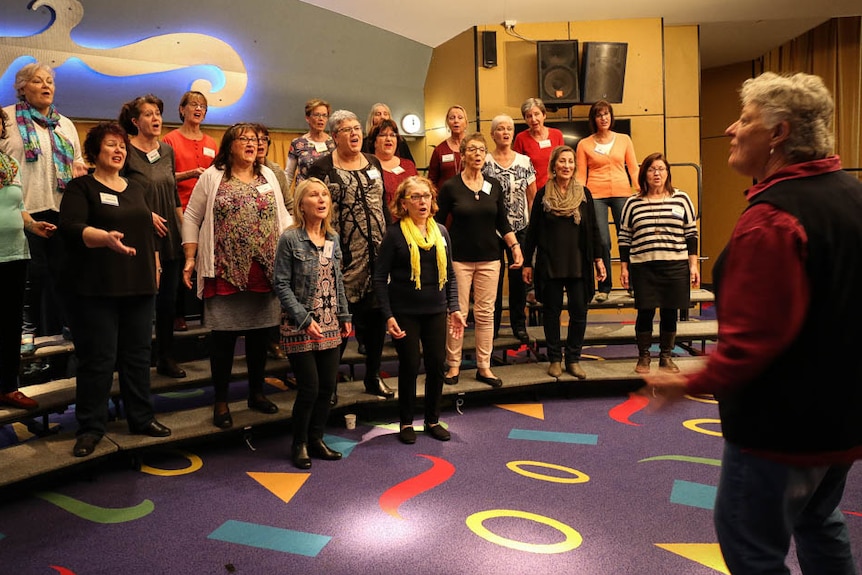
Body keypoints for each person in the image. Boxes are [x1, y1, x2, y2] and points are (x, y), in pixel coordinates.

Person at [645, 72, 862, 574]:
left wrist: (689, 381)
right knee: (818, 521)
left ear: (779, 133)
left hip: (782, 429)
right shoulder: (851, 195)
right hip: (842, 419)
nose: (730, 129)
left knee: (751, 550)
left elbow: (756, 341)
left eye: (744, 120)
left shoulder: (772, 220)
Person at [59, 122, 171, 457]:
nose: (119, 150)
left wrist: (156, 267)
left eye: (122, 145)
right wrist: (104, 238)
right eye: (110, 145)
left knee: (137, 357)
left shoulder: (136, 188)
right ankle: (91, 427)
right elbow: (71, 229)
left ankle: (141, 417)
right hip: (97, 288)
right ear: (94, 153)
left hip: (138, 284)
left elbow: (147, 232)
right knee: (98, 360)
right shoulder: (81, 188)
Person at [182, 123, 292, 429]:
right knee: (224, 341)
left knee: (259, 338)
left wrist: (291, 258)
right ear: (229, 145)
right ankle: (221, 401)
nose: (251, 144)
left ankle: (256, 393)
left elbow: (284, 216)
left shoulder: (269, 174)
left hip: (264, 271)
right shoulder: (213, 176)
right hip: (225, 271)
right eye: (244, 139)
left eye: (256, 140)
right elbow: (192, 216)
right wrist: (190, 257)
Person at [308, 110, 394, 401]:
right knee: (339, 327)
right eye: (347, 130)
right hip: (341, 260)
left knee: (376, 324)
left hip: (378, 258)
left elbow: (382, 205)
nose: (355, 133)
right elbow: (313, 214)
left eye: (357, 128)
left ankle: (372, 377)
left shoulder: (372, 162)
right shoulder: (321, 168)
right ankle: (329, 385)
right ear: (334, 137)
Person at [1, 62, 87, 351]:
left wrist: (79, 168)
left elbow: (77, 161)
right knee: (28, 277)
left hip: (61, 208)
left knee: (65, 272)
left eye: (49, 81)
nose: (46, 86)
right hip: (20, 210)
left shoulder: (66, 123)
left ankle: (69, 323)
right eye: (38, 81)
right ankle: (26, 331)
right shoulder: (7, 119)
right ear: (22, 87)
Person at [374, 176, 466, 444]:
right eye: (415, 197)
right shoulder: (394, 234)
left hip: (436, 310)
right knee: (410, 365)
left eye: (426, 196)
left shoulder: (441, 232)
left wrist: (455, 308)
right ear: (404, 203)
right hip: (405, 311)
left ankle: (432, 420)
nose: (422, 201)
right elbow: (380, 278)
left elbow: (448, 273)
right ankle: (405, 422)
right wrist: (388, 315)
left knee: (437, 365)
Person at [274, 178, 351, 469]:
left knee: (327, 388)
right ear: (301, 205)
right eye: (314, 195)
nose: (321, 199)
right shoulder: (290, 238)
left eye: (325, 195)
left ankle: (317, 439)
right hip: (298, 324)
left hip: (330, 323)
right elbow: (280, 284)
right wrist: (304, 319)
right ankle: (300, 443)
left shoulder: (333, 238)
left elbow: (338, 281)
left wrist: (344, 315)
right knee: (310, 387)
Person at [436, 132, 523, 388]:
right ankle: (453, 365)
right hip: (459, 260)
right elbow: (438, 224)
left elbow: (502, 221)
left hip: (490, 258)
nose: (477, 154)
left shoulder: (494, 185)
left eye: (481, 150)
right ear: (462, 155)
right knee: (457, 314)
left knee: (486, 314)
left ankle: (484, 367)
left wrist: (514, 247)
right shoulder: (451, 186)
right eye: (472, 149)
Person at [522, 145, 606, 379]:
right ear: (553, 166)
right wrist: (527, 262)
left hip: (579, 263)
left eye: (570, 162)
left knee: (580, 312)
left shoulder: (584, 194)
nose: (566, 166)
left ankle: (573, 358)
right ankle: (555, 358)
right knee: (551, 313)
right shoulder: (542, 194)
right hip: (550, 263)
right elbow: (533, 231)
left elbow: (594, 229)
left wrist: (599, 259)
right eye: (562, 161)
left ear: (574, 166)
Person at [118, 94, 186, 379]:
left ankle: (166, 357)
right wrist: (144, 215)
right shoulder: (125, 151)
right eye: (147, 114)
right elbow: (116, 191)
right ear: (135, 121)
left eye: (157, 112)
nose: (155, 118)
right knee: (139, 301)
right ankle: (134, 361)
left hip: (168, 234)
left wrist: (186, 234)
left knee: (168, 301)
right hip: (138, 234)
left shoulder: (167, 151)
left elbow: (172, 195)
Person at [618, 153, 699, 374]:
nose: (657, 173)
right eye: (652, 169)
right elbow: (624, 238)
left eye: (661, 169)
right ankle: (643, 357)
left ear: (668, 173)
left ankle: (666, 357)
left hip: (675, 265)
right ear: (644, 173)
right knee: (645, 312)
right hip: (643, 267)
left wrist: (693, 265)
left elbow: (691, 234)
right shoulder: (632, 203)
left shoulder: (681, 199)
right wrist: (624, 267)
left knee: (670, 312)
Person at [0, 107, 55, 411]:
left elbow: (18, 207)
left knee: (10, 324)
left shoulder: (9, 164)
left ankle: (8, 387)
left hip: (15, 251)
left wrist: (33, 224)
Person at [162, 90, 217, 332]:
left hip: (208, 212)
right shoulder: (170, 140)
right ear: (182, 109)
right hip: (179, 210)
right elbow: (162, 177)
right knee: (180, 263)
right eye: (193, 104)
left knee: (207, 264)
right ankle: (178, 314)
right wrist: (191, 173)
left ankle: (209, 314)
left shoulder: (211, 143)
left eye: (203, 106)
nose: (198, 109)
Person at [575, 99, 639, 302]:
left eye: (606, 114)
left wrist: (640, 191)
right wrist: (578, 199)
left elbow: (634, 167)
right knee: (602, 239)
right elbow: (580, 175)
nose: (603, 118)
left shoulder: (624, 139)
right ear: (593, 119)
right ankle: (604, 286)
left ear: (611, 117)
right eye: (599, 115)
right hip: (595, 195)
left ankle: (632, 284)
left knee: (627, 237)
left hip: (622, 192)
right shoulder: (584, 144)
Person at [483, 114, 537, 342]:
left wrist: (534, 228)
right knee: (493, 280)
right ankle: (492, 327)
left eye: (509, 129)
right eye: (500, 129)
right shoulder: (484, 161)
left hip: (521, 227)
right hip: (492, 230)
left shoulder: (525, 161)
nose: (505, 133)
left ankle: (518, 324)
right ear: (493, 134)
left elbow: (532, 196)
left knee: (518, 281)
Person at [254, 123, 293, 362]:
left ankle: (274, 340)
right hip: (250, 242)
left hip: (276, 240)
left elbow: (288, 204)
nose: (259, 144)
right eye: (254, 139)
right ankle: (260, 341)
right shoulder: (235, 169)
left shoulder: (276, 170)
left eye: (264, 139)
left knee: (276, 294)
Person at [285, 98, 335, 195]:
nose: (321, 119)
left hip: (328, 196)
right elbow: (289, 174)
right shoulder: (298, 143)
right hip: (304, 195)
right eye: (317, 115)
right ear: (307, 118)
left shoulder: (334, 143)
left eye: (324, 115)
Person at [512, 97, 564, 191]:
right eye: (529, 116)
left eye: (537, 114)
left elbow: (563, 163)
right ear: (525, 119)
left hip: (557, 190)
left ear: (544, 115)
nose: (533, 119)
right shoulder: (521, 138)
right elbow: (517, 169)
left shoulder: (557, 135)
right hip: (533, 192)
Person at [369, 118, 418, 210]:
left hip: (409, 220)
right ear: (374, 142)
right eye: (383, 135)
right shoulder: (367, 166)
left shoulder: (408, 165)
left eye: (392, 135)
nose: (388, 139)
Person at [428, 105, 467, 191]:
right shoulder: (439, 150)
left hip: (469, 198)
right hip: (445, 198)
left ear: (466, 122)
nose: (456, 121)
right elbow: (431, 180)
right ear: (447, 122)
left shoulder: (474, 147)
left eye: (460, 118)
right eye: (452, 118)